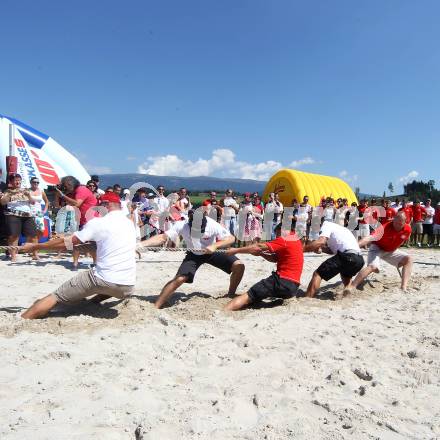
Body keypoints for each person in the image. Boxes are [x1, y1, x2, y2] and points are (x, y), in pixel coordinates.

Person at [18, 192, 137, 319]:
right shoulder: (129, 223)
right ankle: (91, 303)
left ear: (105, 205)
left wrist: (35, 246)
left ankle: (23, 319)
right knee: (109, 284)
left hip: (104, 279)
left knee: (55, 297)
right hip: (128, 286)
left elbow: (67, 243)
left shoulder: (99, 223)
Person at [138, 209, 245, 309]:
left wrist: (215, 245)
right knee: (180, 279)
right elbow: (162, 238)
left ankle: (230, 294)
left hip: (212, 251)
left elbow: (231, 238)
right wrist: (140, 245)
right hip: (193, 254)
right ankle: (157, 306)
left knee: (239, 265)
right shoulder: (181, 225)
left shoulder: (212, 224)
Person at [224, 223, 304, 311]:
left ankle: (223, 311)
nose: (277, 237)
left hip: (281, 281)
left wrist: (236, 250)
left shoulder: (285, 238)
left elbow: (258, 246)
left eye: (277, 234)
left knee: (249, 295)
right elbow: (274, 258)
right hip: (293, 287)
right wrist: (261, 254)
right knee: (257, 297)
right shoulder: (296, 241)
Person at [343, 211, 412, 294]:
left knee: (408, 259)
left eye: (400, 224)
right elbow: (368, 238)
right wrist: (355, 246)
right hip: (377, 248)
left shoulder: (408, 229)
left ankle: (403, 287)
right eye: (395, 223)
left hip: (390, 250)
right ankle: (352, 287)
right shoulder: (384, 228)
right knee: (373, 266)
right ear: (393, 220)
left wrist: (397, 258)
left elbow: (402, 240)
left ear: (405, 222)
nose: (397, 226)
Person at [304, 221, 364, 299]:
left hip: (347, 256)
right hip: (359, 259)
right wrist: (321, 249)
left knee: (318, 274)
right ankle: (347, 292)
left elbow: (321, 241)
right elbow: (332, 251)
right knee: (345, 274)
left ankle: (308, 298)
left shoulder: (326, 225)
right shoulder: (342, 229)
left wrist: (302, 249)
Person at [55, 176, 98, 269]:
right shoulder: (71, 192)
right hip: (80, 220)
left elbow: (77, 203)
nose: (65, 187)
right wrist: (58, 195)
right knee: (76, 242)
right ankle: (75, 263)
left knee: (91, 243)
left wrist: (63, 195)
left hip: (91, 220)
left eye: (66, 185)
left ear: (71, 183)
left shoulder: (81, 189)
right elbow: (58, 206)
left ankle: (95, 263)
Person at [0, 173, 38, 262]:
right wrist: (10, 194)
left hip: (27, 215)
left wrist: (28, 195)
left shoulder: (26, 190)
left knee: (33, 236)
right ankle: (13, 256)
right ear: (11, 182)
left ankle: (35, 254)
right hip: (13, 215)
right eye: (15, 180)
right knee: (13, 236)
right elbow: (2, 202)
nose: (17, 181)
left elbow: (33, 202)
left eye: (19, 179)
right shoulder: (7, 191)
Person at [29, 177, 50, 260]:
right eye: (34, 182)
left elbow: (47, 201)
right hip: (29, 213)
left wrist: (45, 210)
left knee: (41, 231)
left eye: (37, 182)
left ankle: (33, 248)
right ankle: (35, 253)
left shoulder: (41, 191)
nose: (36, 184)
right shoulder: (27, 191)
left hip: (38, 213)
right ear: (31, 182)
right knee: (32, 233)